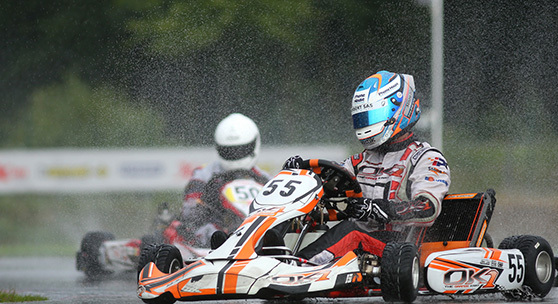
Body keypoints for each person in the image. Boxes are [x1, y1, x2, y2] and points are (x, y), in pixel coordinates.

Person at [285, 70, 450, 264]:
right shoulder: (361, 161)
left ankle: (298, 267)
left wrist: (377, 209)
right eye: (363, 119)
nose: (366, 125)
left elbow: (427, 207)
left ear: (398, 110)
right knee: (306, 218)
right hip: (365, 248)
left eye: (372, 116)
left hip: (400, 250)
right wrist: (301, 173)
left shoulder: (426, 158)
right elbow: (331, 177)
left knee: (351, 232)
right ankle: (266, 256)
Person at [164, 113, 270, 247]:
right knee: (175, 230)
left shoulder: (265, 179)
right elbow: (190, 212)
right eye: (229, 151)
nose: (235, 155)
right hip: (212, 239)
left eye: (241, 150)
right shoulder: (203, 175)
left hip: (256, 234)